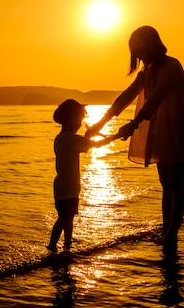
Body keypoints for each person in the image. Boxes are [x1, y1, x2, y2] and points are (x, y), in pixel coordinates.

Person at [85, 25, 184, 249]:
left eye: (139, 49)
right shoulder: (146, 71)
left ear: (151, 45)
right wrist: (100, 123)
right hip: (160, 131)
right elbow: (126, 97)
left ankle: (171, 233)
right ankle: (167, 229)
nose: (137, 55)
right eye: (134, 52)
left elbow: (155, 100)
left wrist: (133, 125)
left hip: (178, 129)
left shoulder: (172, 66)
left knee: (177, 182)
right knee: (165, 183)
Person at [48, 99, 122, 253]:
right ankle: (52, 246)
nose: (80, 124)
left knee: (68, 219)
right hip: (67, 187)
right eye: (79, 120)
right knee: (64, 219)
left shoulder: (62, 138)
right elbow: (93, 144)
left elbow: (85, 142)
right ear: (71, 119)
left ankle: (66, 247)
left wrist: (89, 134)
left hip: (67, 186)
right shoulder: (68, 139)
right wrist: (115, 136)